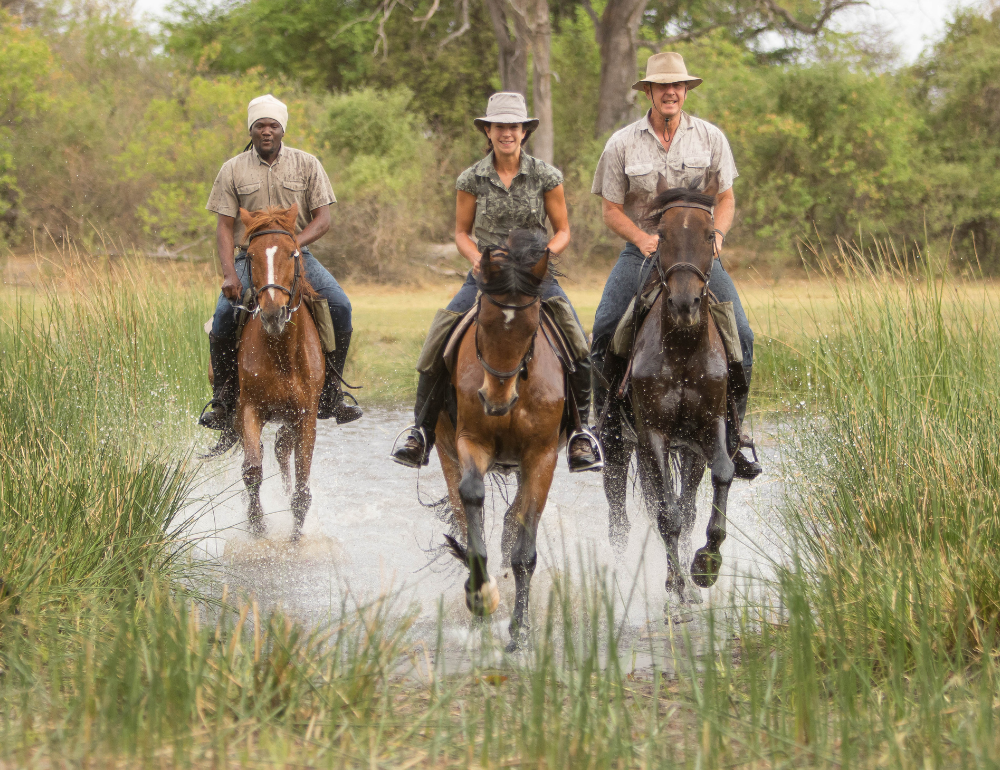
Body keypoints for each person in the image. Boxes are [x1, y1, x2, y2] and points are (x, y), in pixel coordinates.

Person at [391, 92, 602, 472]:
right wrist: (475, 259)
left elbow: (564, 230)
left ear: (524, 132)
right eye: (499, 126)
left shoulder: (546, 176)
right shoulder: (471, 178)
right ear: (488, 131)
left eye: (514, 126)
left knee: (577, 344)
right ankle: (420, 431)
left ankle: (580, 432)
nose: (507, 133)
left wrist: (544, 257)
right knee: (438, 337)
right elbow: (460, 233)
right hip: (487, 277)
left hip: (533, 277)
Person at [590, 53, 761, 479]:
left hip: (697, 256)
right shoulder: (622, 143)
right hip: (643, 252)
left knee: (742, 334)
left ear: (685, 91)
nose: (671, 93)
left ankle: (735, 435)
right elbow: (610, 210)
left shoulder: (710, 137)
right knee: (605, 326)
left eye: (678, 86)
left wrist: (717, 237)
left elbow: (726, 197)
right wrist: (642, 238)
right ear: (648, 91)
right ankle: (603, 426)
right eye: (662, 86)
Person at [199, 94, 362, 452]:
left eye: (273, 125)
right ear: (251, 130)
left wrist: (291, 245)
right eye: (260, 126)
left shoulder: (307, 164)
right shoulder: (233, 169)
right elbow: (225, 227)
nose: (267, 131)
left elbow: (324, 219)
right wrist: (229, 273)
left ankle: (332, 392)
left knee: (340, 305)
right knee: (224, 316)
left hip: (296, 254)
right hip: (250, 257)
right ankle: (224, 399)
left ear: (282, 129)